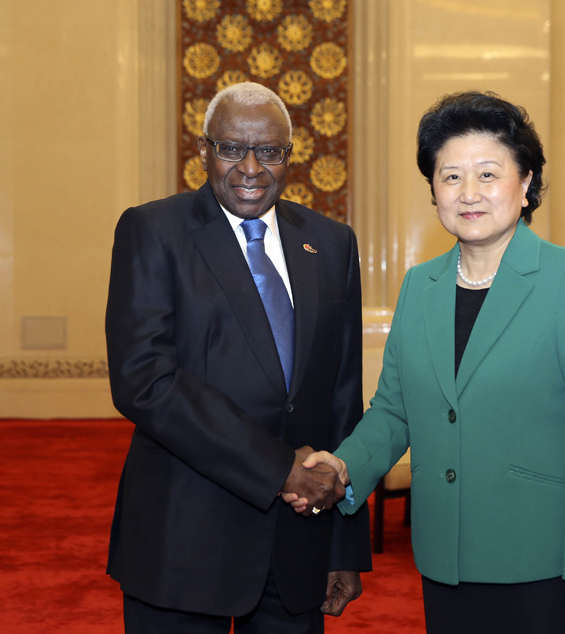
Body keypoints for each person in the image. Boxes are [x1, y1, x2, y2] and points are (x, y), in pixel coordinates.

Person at [288, 91, 565, 632]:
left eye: (488, 174)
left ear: (526, 183)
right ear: (434, 192)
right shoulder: (420, 285)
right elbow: (394, 411)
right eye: (450, 177)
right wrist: (343, 467)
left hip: (541, 562)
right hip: (445, 558)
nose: (469, 193)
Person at [105, 81, 371, 634]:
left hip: (297, 541)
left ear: (289, 156)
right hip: (183, 539)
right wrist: (278, 468)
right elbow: (144, 381)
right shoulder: (153, 231)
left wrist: (343, 544)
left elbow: (342, 399)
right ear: (204, 151)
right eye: (231, 148)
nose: (250, 168)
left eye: (269, 151)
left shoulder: (331, 243)